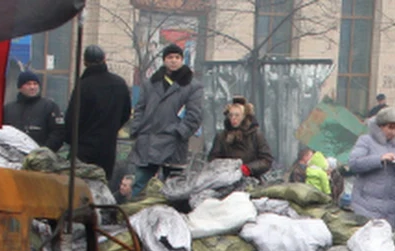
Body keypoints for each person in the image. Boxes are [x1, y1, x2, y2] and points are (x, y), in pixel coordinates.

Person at [131, 43, 204, 194]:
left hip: (174, 145)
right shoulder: (151, 83)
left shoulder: (192, 86)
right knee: (138, 186)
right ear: (164, 60)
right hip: (148, 142)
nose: (173, 60)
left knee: (172, 191)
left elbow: (194, 115)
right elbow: (140, 108)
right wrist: (137, 129)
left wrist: (179, 132)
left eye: (177, 57)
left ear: (182, 60)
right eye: (170, 57)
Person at [64, 45, 131, 180]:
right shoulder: (119, 83)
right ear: (104, 59)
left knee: (81, 190)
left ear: (85, 62)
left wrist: (70, 140)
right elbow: (126, 113)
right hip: (107, 148)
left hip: (83, 149)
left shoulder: (83, 86)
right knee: (102, 187)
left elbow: (72, 119)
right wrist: (112, 128)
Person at [347, 106, 395, 224]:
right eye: (390, 128)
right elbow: (354, 164)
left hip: (390, 208)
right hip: (365, 204)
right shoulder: (366, 141)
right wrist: (379, 159)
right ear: (380, 126)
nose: (393, 132)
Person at [208, 96, 274, 178]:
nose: (233, 118)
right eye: (231, 115)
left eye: (237, 115)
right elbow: (213, 160)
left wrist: (248, 168)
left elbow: (266, 160)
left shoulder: (255, 135)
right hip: (226, 179)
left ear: (244, 116)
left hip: (252, 178)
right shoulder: (221, 137)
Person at [2, 70, 65, 151]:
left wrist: (45, 151)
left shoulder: (49, 106)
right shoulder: (8, 109)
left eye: (35, 84)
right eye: (28, 84)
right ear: (20, 87)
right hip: (12, 156)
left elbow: (58, 133)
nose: (32, 87)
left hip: (41, 157)